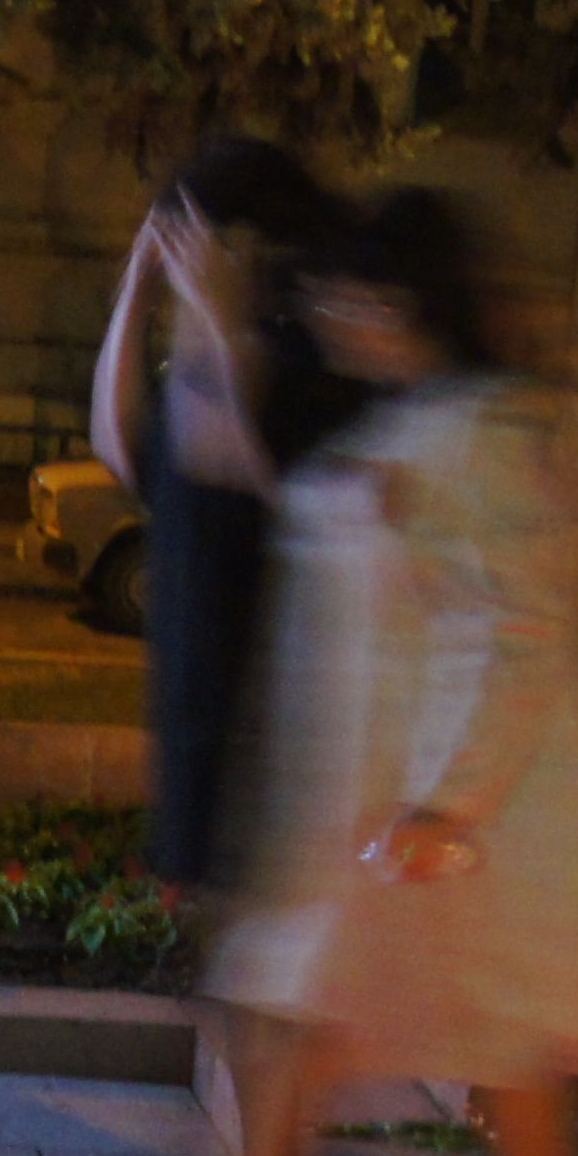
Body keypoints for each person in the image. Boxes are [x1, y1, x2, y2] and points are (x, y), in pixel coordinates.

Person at [124, 187, 578, 1156]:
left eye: (339, 295)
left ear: (395, 302)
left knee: (456, 1048)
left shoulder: (486, 435)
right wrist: (201, 316)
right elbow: (248, 479)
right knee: (311, 1020)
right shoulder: (406, 423)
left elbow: (521, 636)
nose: (322, 315)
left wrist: (448, 806)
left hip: (448, 828)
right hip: (378, 815)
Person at [87, 137, 349, 893]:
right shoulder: (205, 355)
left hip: (262, 697)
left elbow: (246, 464)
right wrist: (137, 294)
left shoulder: (300, 357)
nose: (182, 257)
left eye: (192, 236)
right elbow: (118, 444)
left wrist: (214, 311)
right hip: (189, 678)